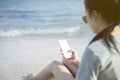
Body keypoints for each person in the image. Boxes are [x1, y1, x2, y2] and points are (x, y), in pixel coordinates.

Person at [23, 0, 120, 80]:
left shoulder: (95, 50)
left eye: (85, 17)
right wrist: (78, 61)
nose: (86, 22)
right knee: (66, 62)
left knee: (55, 65)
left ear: (94, 15)